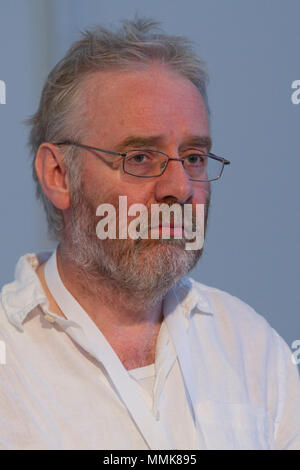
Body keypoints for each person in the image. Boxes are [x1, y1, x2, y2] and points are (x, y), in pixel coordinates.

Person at [0, 18, 299, 451]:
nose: (179, 188)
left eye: (194, 157)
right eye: (139, 156)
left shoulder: (252, 348)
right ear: (59, 175)